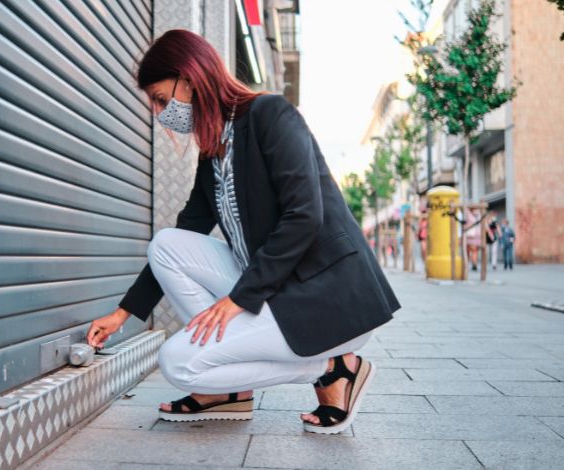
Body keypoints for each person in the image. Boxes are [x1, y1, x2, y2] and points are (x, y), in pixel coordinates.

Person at [86, 30, 399, 434]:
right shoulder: (214, 149)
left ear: (190, 77)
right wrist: (123, 314)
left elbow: (305, 216)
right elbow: (188, 229)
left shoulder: (270, 114)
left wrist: (238, 298)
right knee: (166, 245)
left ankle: (335, 367)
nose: (160, 112)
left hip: (325, 297)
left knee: (179, 362)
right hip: (276, 287)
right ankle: (227, 392)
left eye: (162, 99)